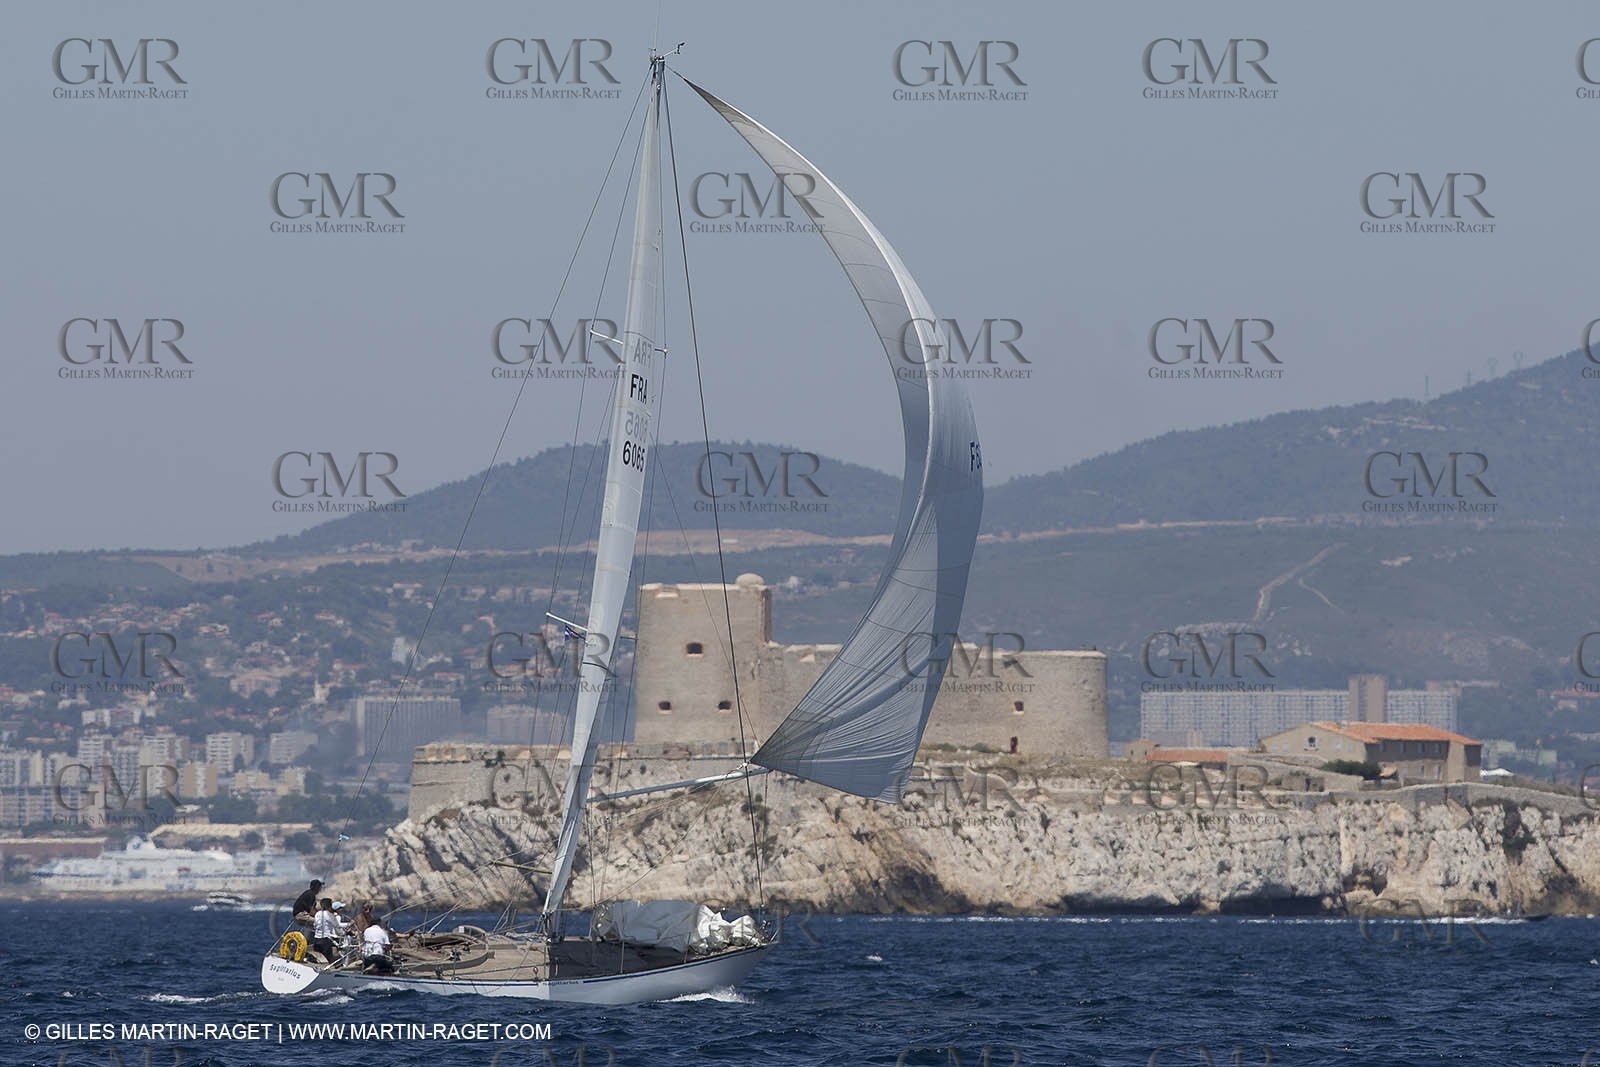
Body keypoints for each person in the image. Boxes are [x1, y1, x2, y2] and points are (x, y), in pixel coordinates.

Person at [312, 898, 341, 964]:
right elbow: (337, 927)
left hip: (316, 939)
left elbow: (315, 925)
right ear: (330, 906)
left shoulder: (317, 913)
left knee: (318, 960)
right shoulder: (329, 915)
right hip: (325, 940)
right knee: (329, 961)